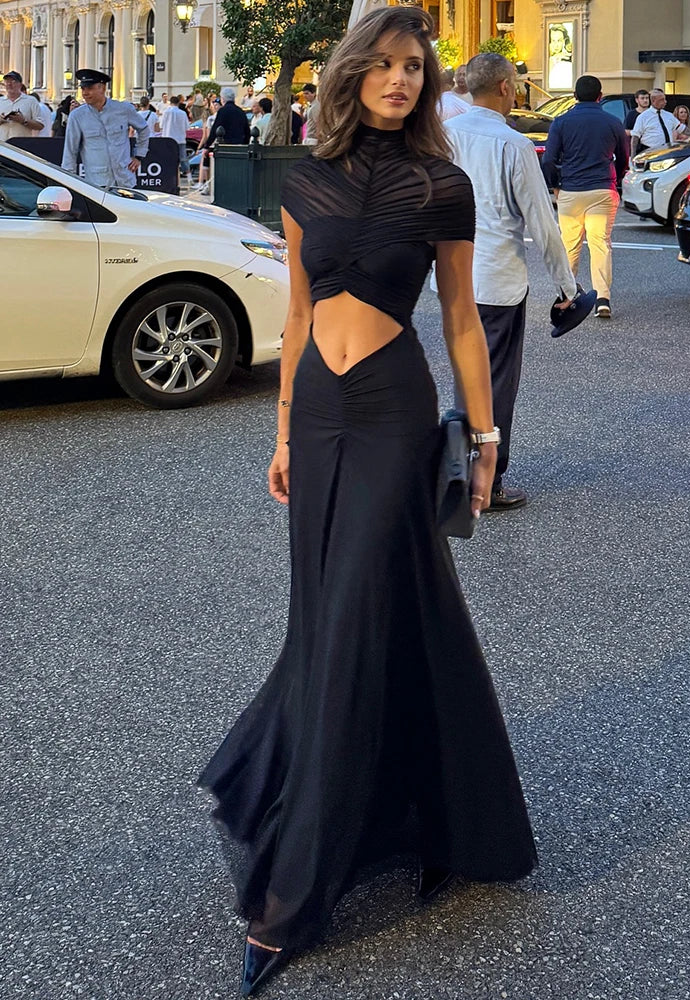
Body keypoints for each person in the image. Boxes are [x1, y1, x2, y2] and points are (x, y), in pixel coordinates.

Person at [198, 7, 538, 996]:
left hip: (393, 411)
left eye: (413, 68)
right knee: (353, 614)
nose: (399, 79)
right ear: (350, 77)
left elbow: (466, 321)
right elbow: (298, 312)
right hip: (320, 412)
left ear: (428, 85)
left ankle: (289, 896)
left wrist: (482, 437)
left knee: (352, 618)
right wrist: (283, 436)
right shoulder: (305, 183)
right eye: (382, 65)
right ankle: (439, 815)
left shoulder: (442, 183)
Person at [441, 53, 577, 511]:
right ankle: (489, 479)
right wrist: (567, 286)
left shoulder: (447, 135)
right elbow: (542, 221)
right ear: (504, 87)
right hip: (499, 278)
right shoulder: (512, 143)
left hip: (454, 277)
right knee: (496, 379)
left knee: (464, 373)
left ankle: (455, 467)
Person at [544, 75, 630, 321]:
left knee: (569, 245)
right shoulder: (613, 122)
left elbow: (549, 159)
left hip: (571, 190)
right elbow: (623, 157)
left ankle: (566, 296)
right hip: (602, 188)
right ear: (600, 96)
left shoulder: (561, 122)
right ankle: (602, 299)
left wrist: (555, 185)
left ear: (575, 96)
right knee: (600, 243)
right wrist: (617, 179)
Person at [62, 69, 149, 188]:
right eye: (83, 89)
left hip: (125, 181)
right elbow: (70, 151)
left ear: (102, 88)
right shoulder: (77, 116)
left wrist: (139, 155)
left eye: (90, 88)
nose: (85, 93)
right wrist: (69, 183)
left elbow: (143, 128)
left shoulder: (123, 109)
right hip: (97, 184)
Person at [630, 88, 677, 157]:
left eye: (665, 99)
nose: (665, 102)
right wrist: (633, 156)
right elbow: (635, 138)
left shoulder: (669, 115)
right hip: (649, 152)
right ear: (653, 101)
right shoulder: (643, 117)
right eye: (662, 100)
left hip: (667, 152)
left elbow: (682, 129)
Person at [0, 71, 44, 141]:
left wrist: (23, 121)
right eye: (7, 82)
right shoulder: (1, 101)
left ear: (20, 85)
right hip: (3, 145)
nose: (9, 84)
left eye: (13, 81)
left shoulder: (31, 101)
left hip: (21, 145)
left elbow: (40, 125)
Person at [159, 95, 191, 180]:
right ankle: (189, 178)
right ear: (178, 103)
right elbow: (187, 127)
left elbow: (161, 125)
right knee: (183, 159)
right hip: (180, 138)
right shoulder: (183, 113)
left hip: (168, 138)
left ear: (170, 102)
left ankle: (168, 177)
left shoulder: (166, 112)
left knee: (168, 158)